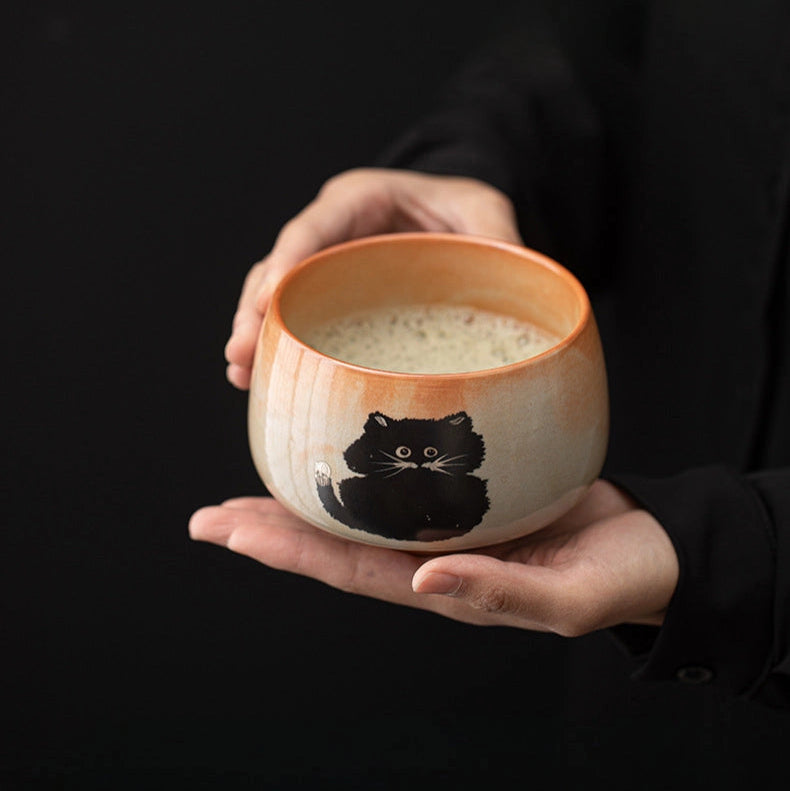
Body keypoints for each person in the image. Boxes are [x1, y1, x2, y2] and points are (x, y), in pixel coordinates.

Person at [189, 0, 790, 708]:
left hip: (657, 567)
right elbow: (613, 42)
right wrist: (473, 163)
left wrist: (749, 557)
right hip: (639, 670)